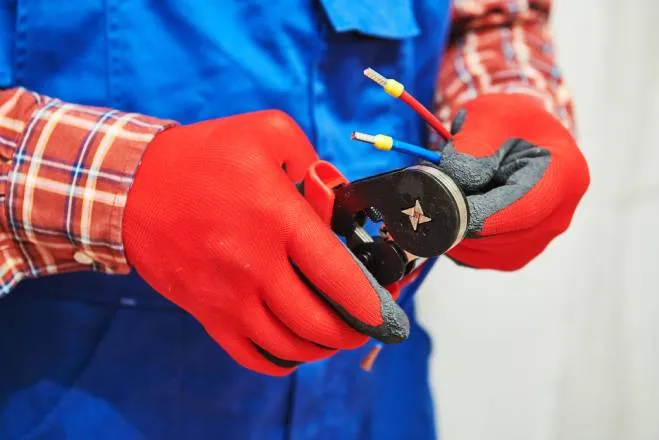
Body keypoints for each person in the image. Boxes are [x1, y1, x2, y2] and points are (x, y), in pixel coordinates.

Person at [0, 1, 589, 438]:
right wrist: (121, 186)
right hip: (79, 399)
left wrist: (518, 98)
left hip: (376, 399)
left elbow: (489, 19)